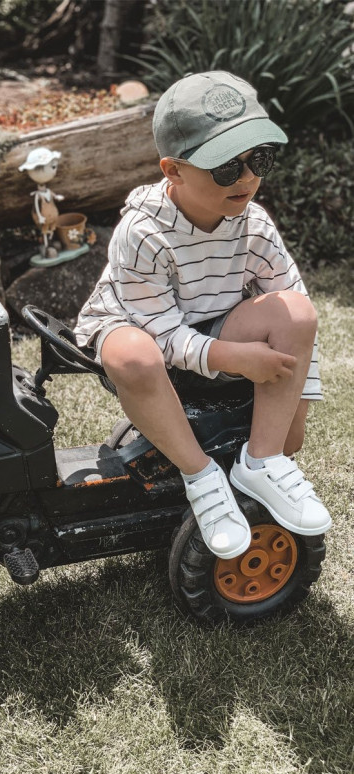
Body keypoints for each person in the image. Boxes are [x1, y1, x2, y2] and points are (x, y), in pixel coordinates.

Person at [74, 71, 331, 560]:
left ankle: (261, 464)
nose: (248, 178)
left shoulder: (253, 224)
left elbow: (301, 322)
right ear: (173, 170)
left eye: (259, 159)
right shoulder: (143, 232)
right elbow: (161, 334)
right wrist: (232, 357)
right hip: (141, 333)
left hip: (209, 326)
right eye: (226, 167)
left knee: (296, 312)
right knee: (133, 355)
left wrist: (294, 409)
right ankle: (201, 475)